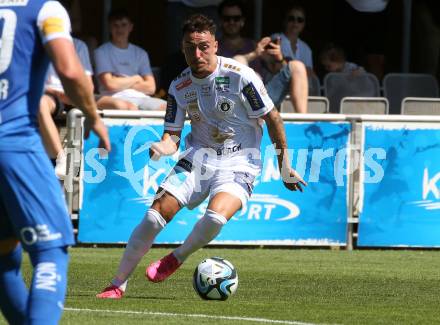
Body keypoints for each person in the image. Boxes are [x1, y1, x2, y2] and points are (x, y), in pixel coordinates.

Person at [96, 14, 306, 299]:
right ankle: (117, 284)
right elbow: (172, 136)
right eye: (190, 47)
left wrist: (284, 166)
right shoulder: (179, 86)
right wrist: (163, 146)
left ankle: (177, 256)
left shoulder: (240, 76)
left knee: (216, 218)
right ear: (183, 48)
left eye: (203, 46)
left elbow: (273, 118)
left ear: (215, 45)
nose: (197, 54)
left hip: (239, 161)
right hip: (197, 159)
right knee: (152, 218)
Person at [0, 1, 111, 324]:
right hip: (14, 142)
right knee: (50, 250)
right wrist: (94, 116)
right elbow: (70, 70)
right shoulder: (45, 9)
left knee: (4, 255)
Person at [39, 37, 136, 180]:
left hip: (77, 95)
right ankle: (61, 159)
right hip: (51, 96)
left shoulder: (79, 45)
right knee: (41, 104)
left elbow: (88, 85)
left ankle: (121, 159)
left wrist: (76, 95)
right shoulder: (37, 44)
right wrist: (54, 92)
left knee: (125, 106)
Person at [94, 9, 166, 111]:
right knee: (130, 109)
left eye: (123, 25)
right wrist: (136, 78)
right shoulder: (101, 52)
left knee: (169, 108)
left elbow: (151, 87)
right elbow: (110, 84)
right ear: (110, 27)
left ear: (130, 27)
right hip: (115, 98)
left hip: (142, 98)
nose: (120, 29)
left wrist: (120, 81)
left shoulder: (141, 53)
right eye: (116, 25)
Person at [235, 36, 309, 113]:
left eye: (269, 46)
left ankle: (303, 120)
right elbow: (236, 61)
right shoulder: (251, 56)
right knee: (239, 59)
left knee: (297, 66)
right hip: (243, 99)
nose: (267, 49)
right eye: (265, 46)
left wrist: (280, 60)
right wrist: (255, 53)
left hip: (265, 97)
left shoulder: (274, 59)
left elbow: (286, 76)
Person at [216, 0, 262, 74]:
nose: (231, 22)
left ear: (242, 21)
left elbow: (275, 68)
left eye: (236, 18)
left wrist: (279, 59)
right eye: (227, 19)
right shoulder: (213, 48)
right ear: (220, 21)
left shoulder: (255, 45)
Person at [270, 3, 314, 77]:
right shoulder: (275, 38)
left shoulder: (306, 48)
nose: (295, 22)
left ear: (303, 24)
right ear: (285, 21)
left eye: (300, 20)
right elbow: (275, 67)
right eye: (291, 18)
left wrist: (287, 63)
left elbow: (310, 73)